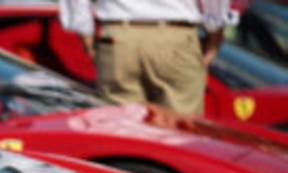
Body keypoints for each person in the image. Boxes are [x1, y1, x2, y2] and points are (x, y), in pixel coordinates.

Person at [57, 0, 231, 114]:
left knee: (121, 126)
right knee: (181, 130)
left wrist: (85, 34)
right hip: (175, 35)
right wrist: (215, 32)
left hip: (119, 35)